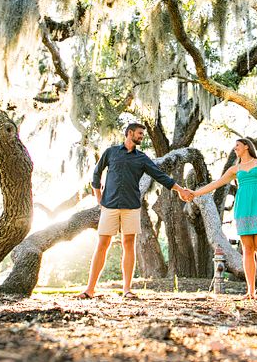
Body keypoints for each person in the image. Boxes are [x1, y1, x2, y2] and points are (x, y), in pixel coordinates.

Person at [76, 122, 193, 300]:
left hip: (131, 206)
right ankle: (89, 289)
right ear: (129, 133)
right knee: (102, 245)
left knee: (129, 244)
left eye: (142, 134)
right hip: (109, 206)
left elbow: (160, 176)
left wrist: (181, 190)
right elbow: (96, 173)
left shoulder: (142, 158)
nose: (141, 137)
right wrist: (98, 197)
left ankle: (127, 289)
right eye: (139, 133)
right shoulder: (111, 152)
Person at [187, 138, 257, 300]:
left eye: (237, 145)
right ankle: (250, 291)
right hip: (242, 210)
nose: (235, 148)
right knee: (247, 249)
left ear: (246, 146)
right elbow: (216, 184)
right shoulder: (234, 169)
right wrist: (194, 193)